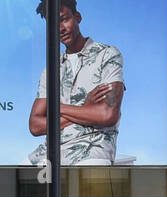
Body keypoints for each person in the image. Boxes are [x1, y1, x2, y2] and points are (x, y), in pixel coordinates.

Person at [28, 1, 124, 167]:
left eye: (64, 19)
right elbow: (35, 126)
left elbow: (108, 115)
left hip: (91, 149)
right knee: (8, 178)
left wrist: (55, 107)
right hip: (48, 152)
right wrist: (85, 108)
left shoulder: (107, 55)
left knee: (83, 177)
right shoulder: (51, 69)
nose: (60, 29)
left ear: (77, 17)